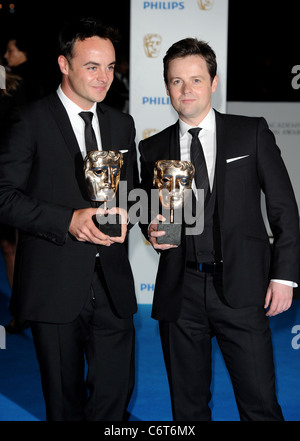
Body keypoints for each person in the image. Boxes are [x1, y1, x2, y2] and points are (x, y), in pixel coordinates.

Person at [139, 38, 300, 421]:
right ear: (166, 88)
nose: (186, 90)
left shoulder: (251, 133)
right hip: (181, 292)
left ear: (213, 82)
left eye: (195, 79)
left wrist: (284, 276)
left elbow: (284, 209)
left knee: (260, 404)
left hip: (244, 287)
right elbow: (148, 212)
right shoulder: (152, 148)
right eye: (176, 82)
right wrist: (151, 230)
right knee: (188, 410)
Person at [0, 17, 138, 421]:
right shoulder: (29, 121)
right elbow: (4, 196)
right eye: (92, 66)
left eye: (110, 66)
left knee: (116, 395)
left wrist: (148, 218)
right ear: (64, 64)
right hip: (53, 285)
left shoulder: (120, 123)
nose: (103, 77)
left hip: (113, 284)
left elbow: (127, 195)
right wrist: (67, 220)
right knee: (64, 402)